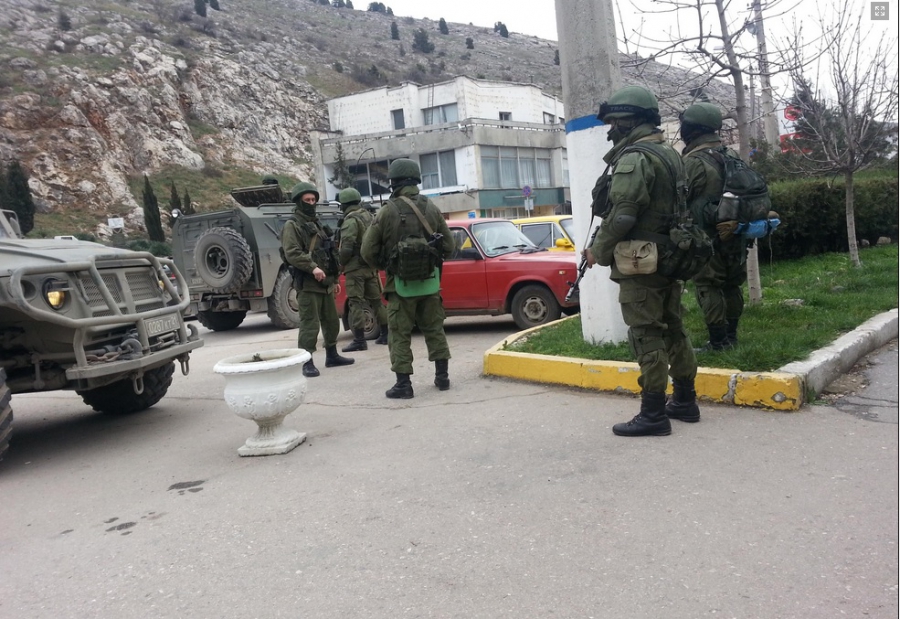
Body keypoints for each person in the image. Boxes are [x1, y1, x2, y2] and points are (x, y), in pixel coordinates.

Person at [583, 85, 700, 436]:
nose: (611, 129)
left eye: (614, 122)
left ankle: (653, 414)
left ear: (629, 120)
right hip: (669, 256)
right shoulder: (669, 153)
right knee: (674, 328)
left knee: (646, 333)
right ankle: (685, 400)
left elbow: (622, 215)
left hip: (641, 260)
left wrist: (598, 250)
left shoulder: (635, 158)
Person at [361, 159, 456, 399]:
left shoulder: (387, 211)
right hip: (430, 283)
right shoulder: (431, 208)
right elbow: (449, 246)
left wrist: (388, 265)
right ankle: (442, 377)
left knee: (399, 335)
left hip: (400, 286)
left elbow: (367, 251)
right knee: (435, 330)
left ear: (394, 182)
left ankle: (404, 385)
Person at [679, 102, 747, 351]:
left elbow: (679, 199)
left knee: (709, 285)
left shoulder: (693, 162)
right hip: (735, 232)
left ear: (692, 129)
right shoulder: (732, 155)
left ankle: (718, 341)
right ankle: (732, 336)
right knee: (732, 284)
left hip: (706, 236)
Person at [281, 182, 355, 377]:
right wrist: (312, 267)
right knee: (310, 324)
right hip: (308, 284)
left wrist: (335, 279)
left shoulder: (317, 224)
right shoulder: (292, 225)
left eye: (313, 199)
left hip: (325, 283)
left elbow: (329, 253)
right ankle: (306, 361)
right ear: (299, 201)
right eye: (307, 200)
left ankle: (332, 355)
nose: (311, 203)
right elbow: (292, 252)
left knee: (331, 321)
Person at [336, 187, 388, 352]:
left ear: (344, 204)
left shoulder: (350, 220)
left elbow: (347, 247)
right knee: (377, 301)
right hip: (370, 267)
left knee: (355, 303)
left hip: (355, 269)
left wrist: (340, 264)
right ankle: (386, 334)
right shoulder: (369, 216)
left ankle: (359, 340)